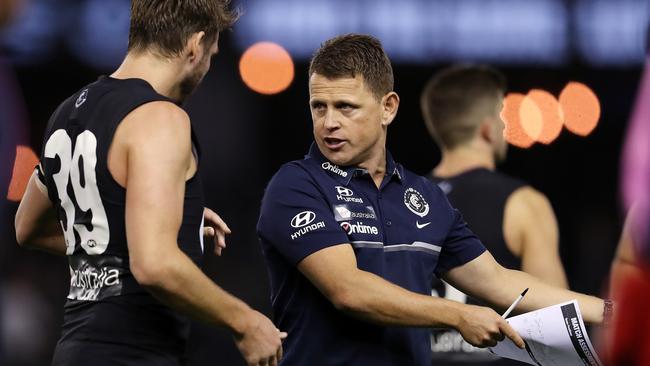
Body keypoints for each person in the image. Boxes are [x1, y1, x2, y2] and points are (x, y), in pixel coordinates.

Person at [257, 34, 606, 366]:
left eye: (345, 107)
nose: (328, 122)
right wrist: (458, 315)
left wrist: (609, 311)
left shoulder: (424, 195)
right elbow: (349, 291)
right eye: (319, 107)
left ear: (388, 108)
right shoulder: (296, 185)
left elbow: (499, 281)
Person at [13, 1, 285, 365]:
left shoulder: (70, 112)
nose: (206, 68)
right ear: (195, 45)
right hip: (133, 353)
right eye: (211, 55)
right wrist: (246, 322)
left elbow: (27, 226)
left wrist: (148, 215)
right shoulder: (161, 117)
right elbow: (154, 264)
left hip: (74, 351)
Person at [419, 65, 568, 364]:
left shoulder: (398, 200)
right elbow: (557, 327)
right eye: (502, 116)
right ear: (487, 128)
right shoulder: (524, 204)